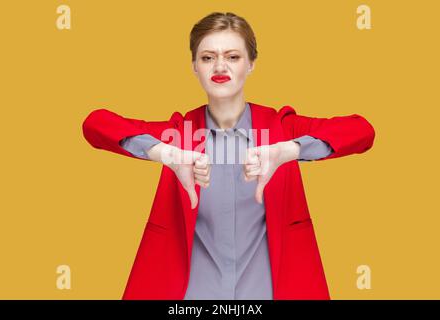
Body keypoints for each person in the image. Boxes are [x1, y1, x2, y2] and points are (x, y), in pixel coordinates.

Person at [82, 12, 375, 300]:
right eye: (207, 57)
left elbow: (362, 131)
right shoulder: (180, 133)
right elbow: (95, 124)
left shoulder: (280, 128)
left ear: (251, 64)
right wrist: (166, 153)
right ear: (194, 66)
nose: (219, 66)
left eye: (233, 57)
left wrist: (289, 149)